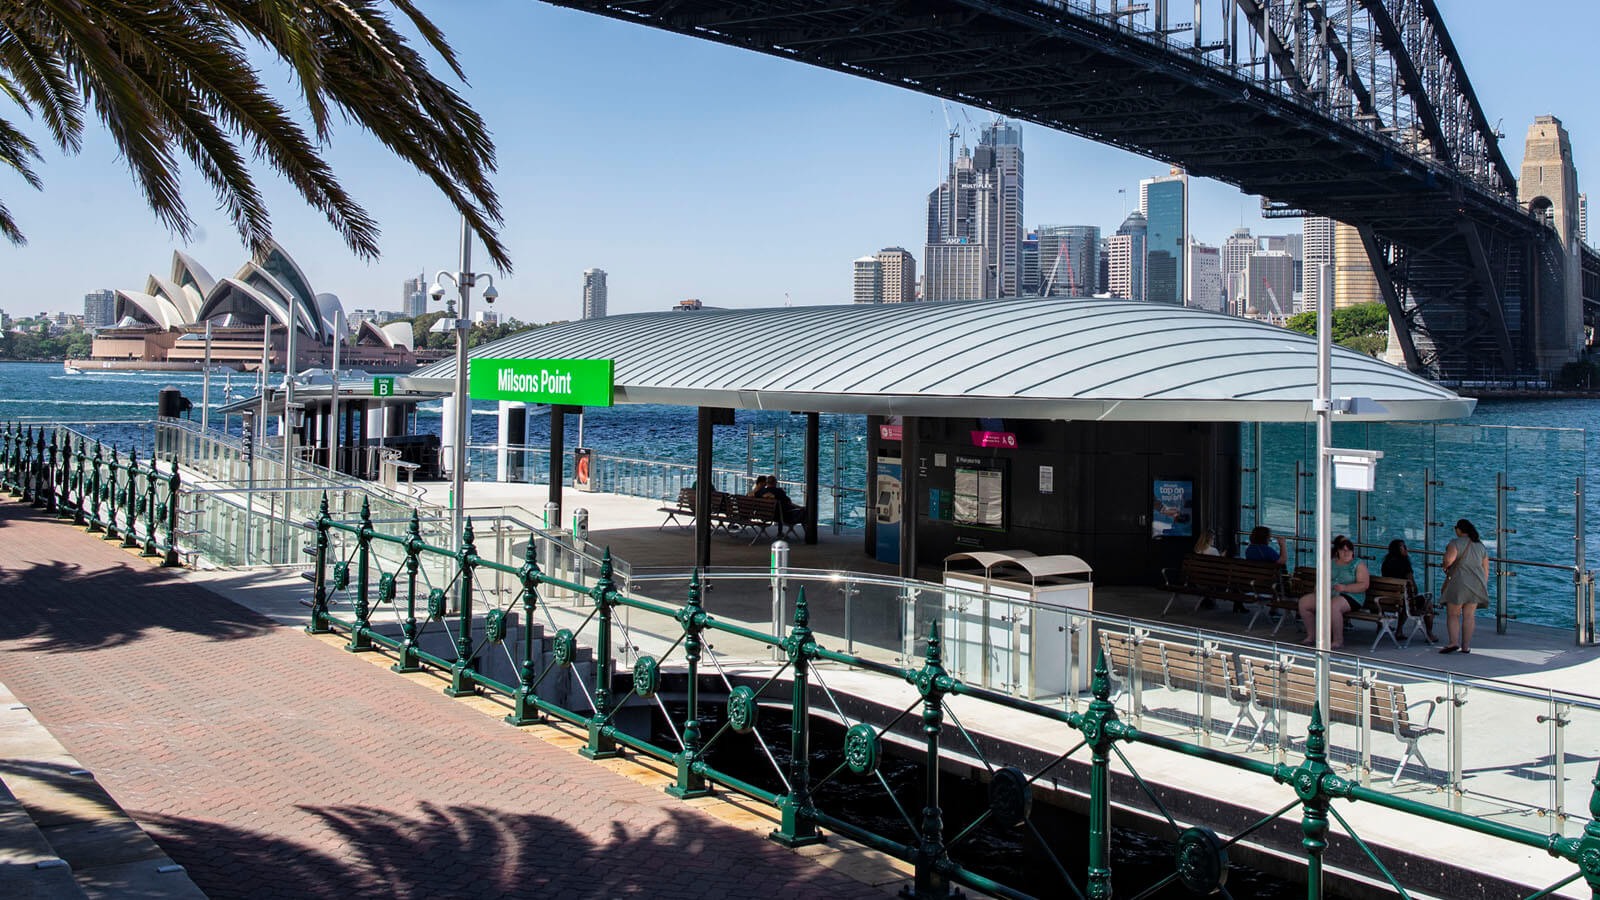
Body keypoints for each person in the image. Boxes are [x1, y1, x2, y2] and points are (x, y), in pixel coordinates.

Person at [1297, 535, 1368, 650]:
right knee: (1304, 602)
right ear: (1338, 551)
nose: (1347, 553)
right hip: (1329, 594)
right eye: (1343, 550)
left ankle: (1338, 640)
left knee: (1334, 606)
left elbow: (1364, 585)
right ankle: (1312, 636)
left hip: (1352, 596)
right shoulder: (1331, 563)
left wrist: (1345, 588)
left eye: (1349, 550)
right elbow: (1322, 578)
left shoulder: (1358, 564)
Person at [1439, 518, 1490, 654]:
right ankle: (1466, 646)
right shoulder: (1480, 546)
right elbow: (1486, 569)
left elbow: (1448, 560)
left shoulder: (1455, 543)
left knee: (1453, 614)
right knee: (1469, 616)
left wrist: (1445, 566)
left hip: (1459, 583)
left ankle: (1453, 642)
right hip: (1476, 584)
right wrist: (1482, 584)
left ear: (1459, 530)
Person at [1382, 538, 1436, 644]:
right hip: (1403, 601)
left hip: (1388, 600)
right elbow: (1412, 585)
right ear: (1398, 550)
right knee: (1428, 604)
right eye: (1403, 547)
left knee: (1405, 600)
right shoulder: (1404, 564)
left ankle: (1399, 631)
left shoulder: (1385, 564)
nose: (1406, 548)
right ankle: (1429, 634)